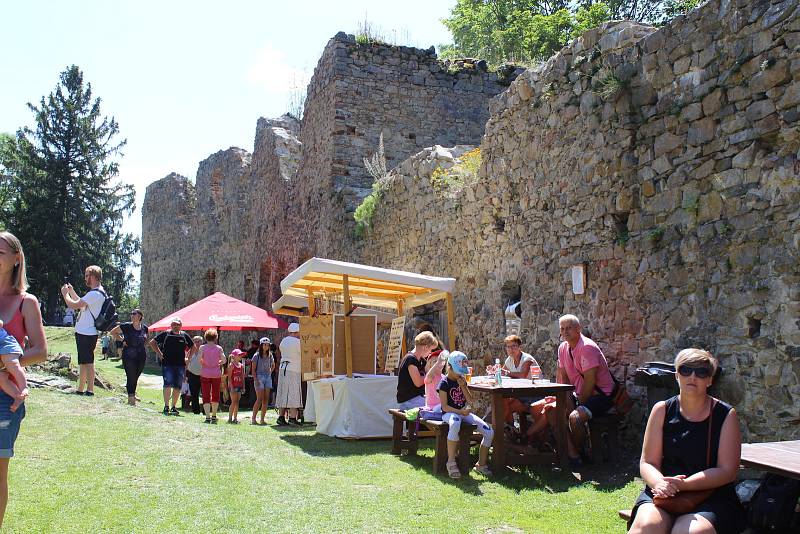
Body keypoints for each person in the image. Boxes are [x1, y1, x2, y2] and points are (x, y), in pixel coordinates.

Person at [629, 349, 744, 534]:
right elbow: (648, 461)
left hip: (710, 495)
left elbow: (727, 471)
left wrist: (685, 485)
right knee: (645, 528)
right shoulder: (662, 410)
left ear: (710, 380)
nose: (693, 376)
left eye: (701, 372)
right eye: (686, 370)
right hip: (664, 492)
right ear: (676, 375)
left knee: (689, 532)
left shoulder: (725, 415)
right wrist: (659, 483)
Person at [0, 231, 48, 528]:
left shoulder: (26, 302)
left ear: (17, 259)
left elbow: (41, 351)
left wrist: (6, 365)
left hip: (6, 399)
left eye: (0, 252)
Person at [530, 314, 615, 467]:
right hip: (577, 393)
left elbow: (590, 382)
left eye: (569, 328)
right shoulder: (563, 348)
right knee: (542, 408)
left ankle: (576, 453)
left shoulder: (587, 347)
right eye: (562, 329)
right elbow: (564, 379)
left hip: (600, 395)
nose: (565, 332)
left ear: (578, 329)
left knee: (574, 418)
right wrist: (560, 398)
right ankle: (569, 452)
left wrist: (574, 406)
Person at [438, 351, 494, 479]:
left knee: (489, 432)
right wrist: (460, 412)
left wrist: (464, 387)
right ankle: (451, 462)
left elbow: (471, 401)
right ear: (450, 367)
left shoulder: (461, 380)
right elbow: (444, 407)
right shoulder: (444, 383)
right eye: (458, 370)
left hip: (463, 413)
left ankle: (481, 464)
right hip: (449, 414)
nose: (460, 373)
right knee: (455, 423)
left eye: (462, 371)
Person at [61, 265, 107, 396]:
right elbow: (81, 304)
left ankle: (90, 390)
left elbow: (74, 305)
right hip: (85, 332)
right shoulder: (96, 293)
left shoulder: (95, 293)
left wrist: (65, 295)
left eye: (87, 275)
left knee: (88, 362)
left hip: (87, 333)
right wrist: (72, 291)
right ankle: (81, 389)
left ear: (93, 277)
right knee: (83, 362)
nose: (85, 278)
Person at [148, 317, 193, 416]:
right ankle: (166, 406)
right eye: (174, 324)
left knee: (177, 386)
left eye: (177, 324)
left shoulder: (184, 335)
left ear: (181, 326)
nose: (176, 326)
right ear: (171, 325)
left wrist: (188, 358)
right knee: (167, 384)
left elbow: (193, 346)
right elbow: (152, 342)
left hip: (180, 364)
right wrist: (159, 354)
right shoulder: (166, 334)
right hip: (167, 364)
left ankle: (173, 407)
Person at [109, 309, 149, 406]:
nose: (132, 315)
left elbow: (147, 339)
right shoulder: (126, 326)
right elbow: (113, 332)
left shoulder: (145, 328)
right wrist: (122, 340)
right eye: (131, 314)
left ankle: (132, 393)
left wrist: (144, 346)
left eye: (134, 314)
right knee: (131, 376)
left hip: (141, 355)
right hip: (128, 355)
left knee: (136, 376)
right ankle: (131, 399)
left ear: (140, 316)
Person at [396, 331, 437, 410]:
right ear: (425, 347)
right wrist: (429, 374)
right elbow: (418, 382)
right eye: (430, 350)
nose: (430, 353)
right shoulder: (410, 359)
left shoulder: (421, 360)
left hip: (417, 398)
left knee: (438, 404)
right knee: (435, 407)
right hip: (408, 401)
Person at [276, 323, 302, 426]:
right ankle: (292, 418)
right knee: (293, 393)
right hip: (294, 369)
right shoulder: (297, 342)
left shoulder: (283, 341)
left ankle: (281, 417)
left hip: (283, 369)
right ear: (297, 332)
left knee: (283, 392)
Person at [198, 328, 225, 424]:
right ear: (215, 338)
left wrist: (204, 363)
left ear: (206, 337)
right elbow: (224, 360)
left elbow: (199, 359)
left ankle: (207, 417)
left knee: (205, 394)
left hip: (205, 373)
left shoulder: (202, 347)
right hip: (216, 374)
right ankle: (214, 415)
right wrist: (218, 362)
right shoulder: (219, 348)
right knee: (215, 394)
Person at [0, 321, 27, 412]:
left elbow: (0, 323)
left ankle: (24, 387)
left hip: (4, 344)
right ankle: (17, 396)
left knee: (12, 364)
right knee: (2, 379)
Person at [250, 337, 274, 425]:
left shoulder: (270, 355)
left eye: (268, 345)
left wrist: (270, 372)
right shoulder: (256, 356)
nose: (266, 346)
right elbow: (253, 370)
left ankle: (262, 419)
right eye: (265, 345)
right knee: (259, 398)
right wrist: (255, 379)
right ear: (261, 345)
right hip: (259, 377)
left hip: (267, 377)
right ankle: (253, 419)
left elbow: (273, 365)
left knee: (266, 399)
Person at [185, 335, 204, 415]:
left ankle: (205, 411)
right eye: (195, 341)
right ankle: (196, 411)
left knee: (205, 394)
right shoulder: (190, 351)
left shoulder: (204, 350)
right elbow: (186, 361)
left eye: (198, 341)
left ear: (202, 342)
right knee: (194, 394)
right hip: (192, 374)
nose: (197, 343)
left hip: (203, 375)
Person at [226, 349, 245, 424]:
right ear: (234, 356)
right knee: (233, 402)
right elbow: (229, 377)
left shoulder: (241, 365)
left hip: (239, 386)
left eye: (241, 355)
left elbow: (242, 377)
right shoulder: (231, 365)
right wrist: (232, 387)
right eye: (239, 355)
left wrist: (243, 387)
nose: (240, 356)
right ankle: (230, 418)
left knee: (237, 402)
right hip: (233, 386)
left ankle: (235, 418)